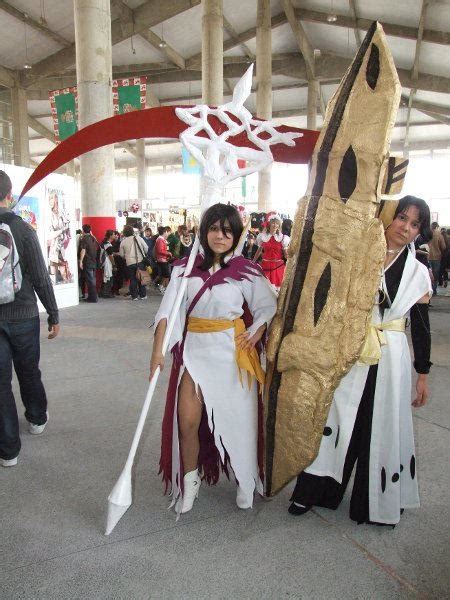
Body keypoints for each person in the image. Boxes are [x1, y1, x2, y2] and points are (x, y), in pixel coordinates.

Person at [288, 196, 432, 526]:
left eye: (414, 225)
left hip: (390, 355)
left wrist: (422, 374)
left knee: (377, 423)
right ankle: (314, 492)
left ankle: (373, 504)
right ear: (387, 216)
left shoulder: (418, 273)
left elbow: (422, 328)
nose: (405, 228)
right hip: (349, 348)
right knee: (335, 418)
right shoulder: (357, 254)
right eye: (402, 219)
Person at [150, 204, 277, 515]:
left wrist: (258, 330)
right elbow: (167, 311)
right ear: (204, 230)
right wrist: (157, 352)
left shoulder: (247, 270)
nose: (221, 236)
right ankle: (190, 481)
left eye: (228, 230)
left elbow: (267, 306)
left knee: (241, 423)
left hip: (234, 355)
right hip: (195, 354)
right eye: (215, 229)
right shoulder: (183, 268)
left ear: (235, 235)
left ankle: (246, 481)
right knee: (187, 421)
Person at [0, 170, 59, 467]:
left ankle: (8, 450)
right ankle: (36, 418)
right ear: (9, 196)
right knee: (28, 371)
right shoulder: (22, 229)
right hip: (22, 314)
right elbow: (39, 275)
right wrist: (53, 312)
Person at [254, 213, 289, 291]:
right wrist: (253, 262)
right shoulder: (262, 237)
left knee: (277, 291)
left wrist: (291, 256)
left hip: (278, 267)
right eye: (273, 223)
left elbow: (286, 255)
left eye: (277, 223)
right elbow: (258, 251)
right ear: (269, 224)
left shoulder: (282, 238)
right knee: (265, 290)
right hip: (265, 266)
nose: (275, 225)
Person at [119, 225, 148, 300]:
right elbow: (146, 248)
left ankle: (134, 296)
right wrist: (143, 254)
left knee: (133, 279)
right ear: (132, 231)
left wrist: (126, 256)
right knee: (142, 278)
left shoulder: (123, 242)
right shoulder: (138, 238)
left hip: (130, 263)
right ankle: (143, 295)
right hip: (140, 261)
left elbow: (121, 254)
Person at [78, 224, 99, 303]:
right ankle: (93, 297)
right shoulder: (93, 238)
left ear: (83, 230)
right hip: (94, 261)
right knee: (93, 280)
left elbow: (83, 250)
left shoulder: (84, 238)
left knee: (90, 281)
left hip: (88, 262)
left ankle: (93, 298)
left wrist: (80, 261)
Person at [428, 222, 446, 296]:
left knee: (428, 274)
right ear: (437, 226)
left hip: (426, 256)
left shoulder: (427, 233)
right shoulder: (439, 234)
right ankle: (434, 290)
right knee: (435, 274)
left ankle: (428, 290)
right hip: (437, 257)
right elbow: (444, 246)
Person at [154, 226, 172, 293]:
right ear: (164, 232)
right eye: (167, 232)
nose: (167, 234)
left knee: (165, 275)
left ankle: (163, 288)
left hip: (162, 259)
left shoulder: (161, 239)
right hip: (162, 260)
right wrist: (168, 253)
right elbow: (160, 251)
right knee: (166, 275)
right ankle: (161, 287)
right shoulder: (160, 240)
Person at [99, 230, 116, 298]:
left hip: (103, 263)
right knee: (108, 277)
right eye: (114, 234)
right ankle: (106, 293)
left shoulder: (104, 243)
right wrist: (114, 265)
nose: (115, 235)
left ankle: (102, 292)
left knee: (105, 277)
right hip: (107, 263)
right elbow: (110, 256)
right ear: (110, 236)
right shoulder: (108, 245)